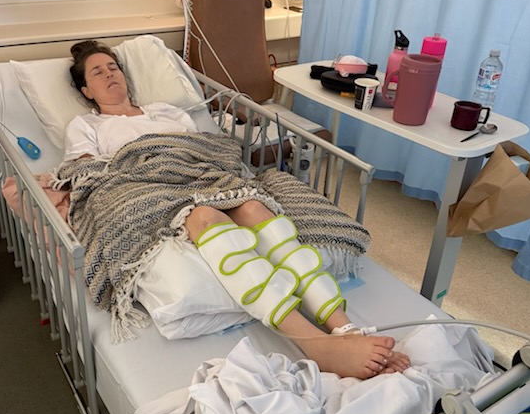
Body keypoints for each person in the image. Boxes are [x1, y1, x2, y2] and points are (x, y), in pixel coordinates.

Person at [64, 40, 410, 379]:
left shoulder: (166, 111)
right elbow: (86, 174)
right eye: (97, 72)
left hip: (203, 174)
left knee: (255, 207)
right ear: (87, 90)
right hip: (149, 186)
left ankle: (345, 328)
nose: (109, 75)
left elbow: (203, 148)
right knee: (205, 216)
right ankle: (314, 343)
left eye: (113, 67)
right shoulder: (87, 126)